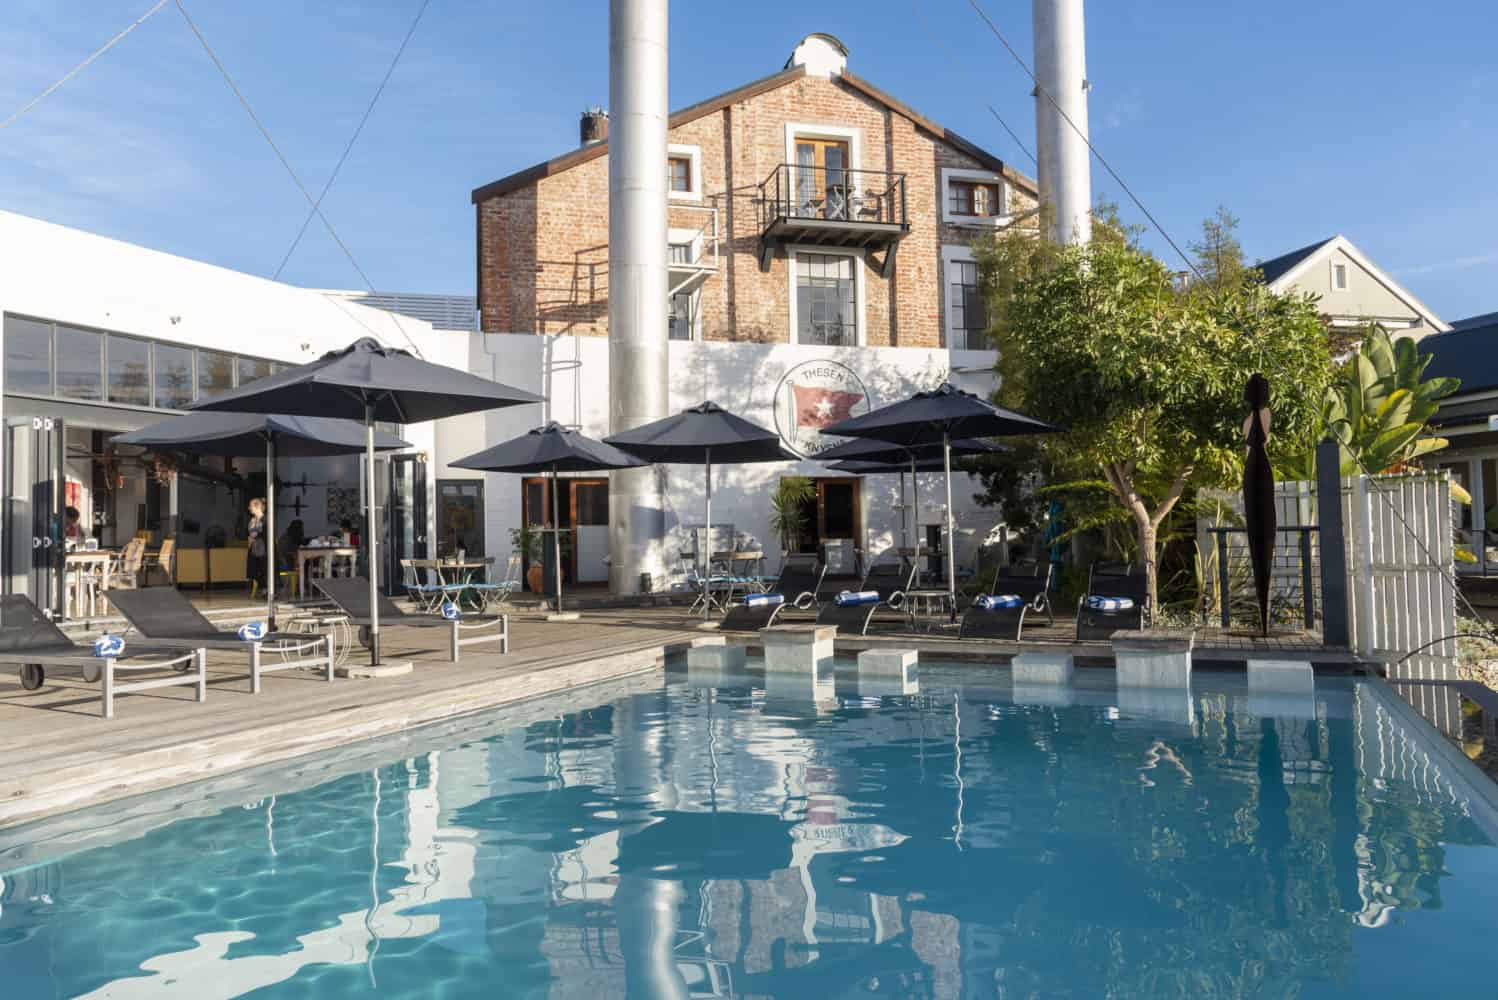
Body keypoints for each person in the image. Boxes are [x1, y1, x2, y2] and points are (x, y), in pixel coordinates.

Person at [247, 497, 267, 598]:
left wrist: (254, 535)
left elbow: (256, 533)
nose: (249, 508)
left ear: (257, 506)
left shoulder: (265, 519)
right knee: (254, 570)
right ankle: (264, 589)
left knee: (264, 569)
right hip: (255, 548)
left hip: (264, 548)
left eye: (251, 506)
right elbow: (251, 534)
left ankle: (267, 590)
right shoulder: (253, 520)